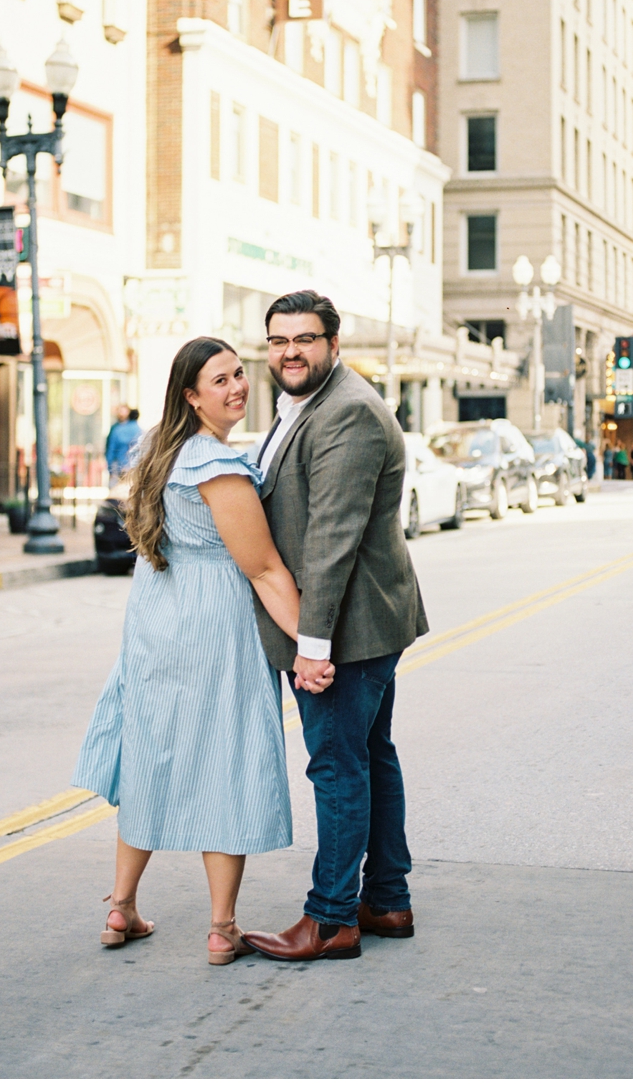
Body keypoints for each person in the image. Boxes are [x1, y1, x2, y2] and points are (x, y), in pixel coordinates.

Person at [72, 338, 334, 964]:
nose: (238, 386)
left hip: (157, 622)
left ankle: (120, 906)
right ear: (191, 395)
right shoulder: (216, 465)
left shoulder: (164, 454)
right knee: (225, 759)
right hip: (214, 626)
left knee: (151, 757)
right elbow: (266, 569)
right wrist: (313, 646)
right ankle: (222, 927)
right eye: (220, 380)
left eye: (239, 374)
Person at [241, 290, 429, 964]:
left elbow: (331, 540)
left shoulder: (346, 412)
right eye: (278, 339)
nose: (290, 350)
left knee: (338, 765)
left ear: (333, 344)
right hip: (367, 620)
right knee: (371, 754)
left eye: (305, 338)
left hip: (347, 629)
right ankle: (385, 897)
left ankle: (330, 919)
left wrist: (309, 647)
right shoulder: (308, 404)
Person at [104, 406, 143, 486]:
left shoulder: (117, 430)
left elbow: (111, 451)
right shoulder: (140, 431)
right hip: (134, 467)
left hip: (119, 466)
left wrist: (110, 469)